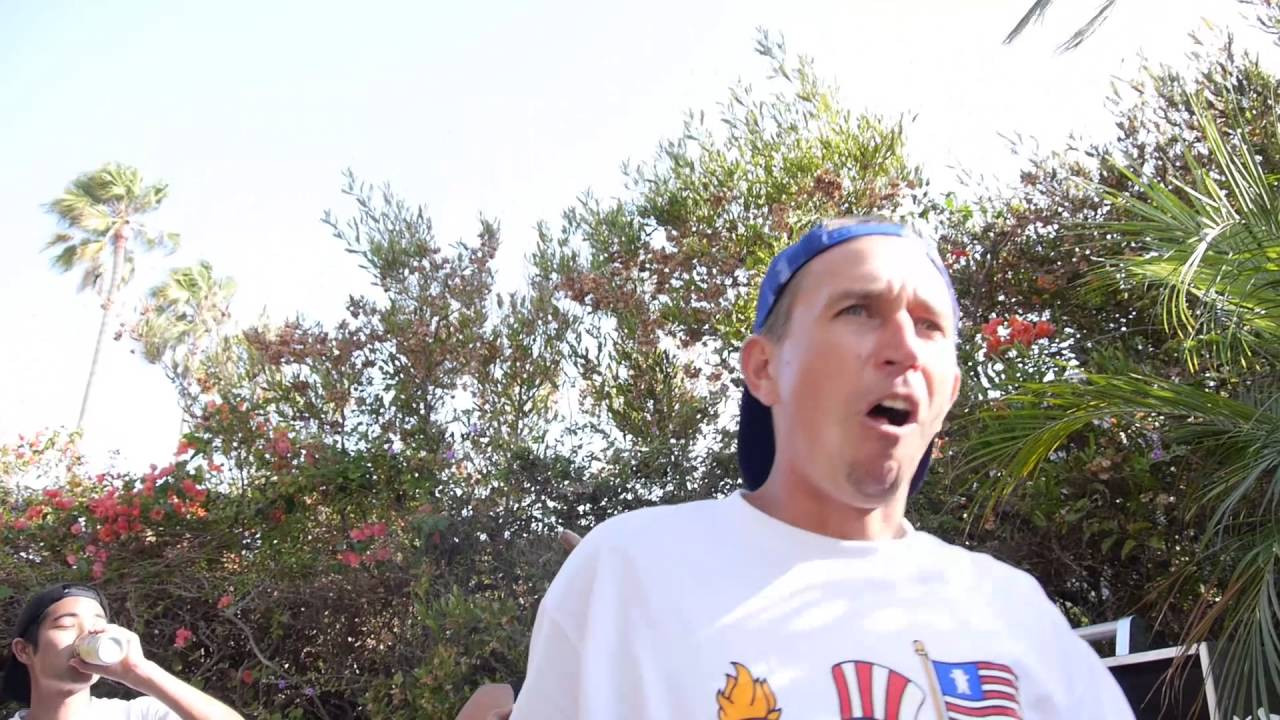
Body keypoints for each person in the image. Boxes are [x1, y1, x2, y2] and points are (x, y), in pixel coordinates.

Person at [511, 217, 1136, 718]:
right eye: (858, 310)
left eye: (929, 326)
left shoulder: (1016, 613)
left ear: (949, 393)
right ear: (763, 369)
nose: (903, 348)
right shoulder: (628, 574)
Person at [1, 583, 244, 720]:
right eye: (66, 625)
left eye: (97, 625)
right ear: (24, 651)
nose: (85, 634)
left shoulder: (142, 715)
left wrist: (140, 671)